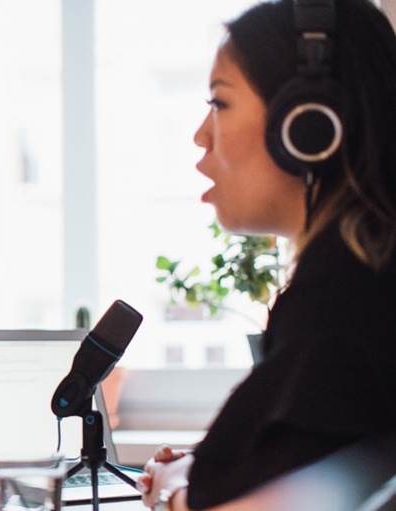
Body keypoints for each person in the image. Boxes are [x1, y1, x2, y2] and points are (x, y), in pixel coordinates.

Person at [137, 0, 396, 509]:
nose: (200, 136)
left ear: (309, 124)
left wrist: (176, 495)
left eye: (220, 102)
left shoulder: (340, 303)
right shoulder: (368, 277)